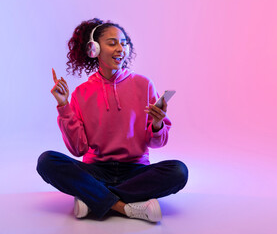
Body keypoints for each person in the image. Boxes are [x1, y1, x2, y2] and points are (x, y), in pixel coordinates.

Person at [36, 18, 188, 222]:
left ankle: (93, 198)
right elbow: (78, 149)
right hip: (96, 169)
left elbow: (157, 142)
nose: (121, 49)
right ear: (94, 49)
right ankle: (124, 207)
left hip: (136, 170)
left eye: (124, 43)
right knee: (47, 161)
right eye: (112, 43)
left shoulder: (144, 85)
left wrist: (158, 124)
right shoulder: (81, 93)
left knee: (178, 171)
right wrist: (64, 107)